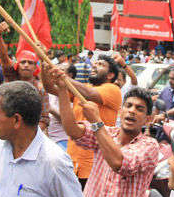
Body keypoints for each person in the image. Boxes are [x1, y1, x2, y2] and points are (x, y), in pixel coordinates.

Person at [49, 54, 122, 185]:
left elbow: (90, 94)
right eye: (95, 63)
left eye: (101, 64)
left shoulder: (113, 89)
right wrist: (45, 69)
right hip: (72, 160)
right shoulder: (83, 87)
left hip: (93, 164)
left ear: (110, 75)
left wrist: (65, 78)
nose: (94, 65)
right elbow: (51, 89)